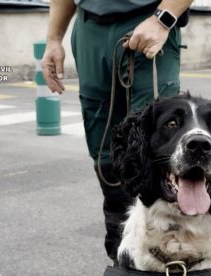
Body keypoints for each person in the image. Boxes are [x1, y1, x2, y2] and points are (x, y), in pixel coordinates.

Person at [41, 0, 193, 264]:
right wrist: (54, 39)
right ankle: (121, 256)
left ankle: (167, 258)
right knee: (106, 154)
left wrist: (163, 19)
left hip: (147, 20)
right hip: (90, 27)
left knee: (156, 145)